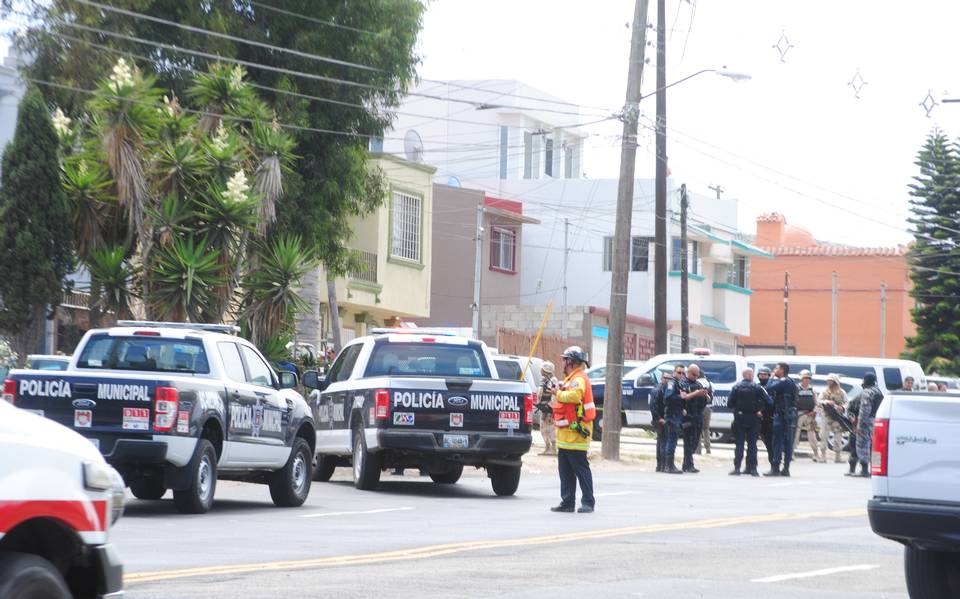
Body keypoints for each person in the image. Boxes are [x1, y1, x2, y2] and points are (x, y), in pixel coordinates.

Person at [550, 346, 596, 513]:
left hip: (576, 435)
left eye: (565, 359)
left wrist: (558, 394)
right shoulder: (571, 379)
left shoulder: (579, 379)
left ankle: (588, 502)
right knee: (565, 472)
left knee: (580, 470)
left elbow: (575, 396)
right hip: (566, 435)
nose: (563, 363)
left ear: (570, 361)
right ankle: (567, 502)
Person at [728, 368, 765, 476]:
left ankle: (737, 468)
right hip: (753, 418)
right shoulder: (758, 388)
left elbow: (730, 404)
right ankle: (752, 469)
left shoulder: (736, 387)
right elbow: (768, 401)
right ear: (750, 375)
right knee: (752, 444)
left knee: (739, 444)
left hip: (740, 418)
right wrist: (759, 409)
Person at [764, 362, 799, 477]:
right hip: (788, 414)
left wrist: (772, 377)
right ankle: (786, 468)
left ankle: (776, 468)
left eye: (777, 368)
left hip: (783, 414)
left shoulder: (784, 381)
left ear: (782, 370)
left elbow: (769, 388)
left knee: (778, 441)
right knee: (787, 441)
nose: (774, 370)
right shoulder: (790, 381)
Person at [681, 364, 711, 473]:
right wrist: (696, 393)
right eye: (694, 374)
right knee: (688, 441)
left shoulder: (698, 384)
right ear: (688, 372)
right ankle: (688, 465)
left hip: (698, 415)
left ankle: (687, 463)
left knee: (694, 441)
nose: (695, 377)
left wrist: (705, 395)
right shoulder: (683, 383)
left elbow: (707, 399)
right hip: (688, 416)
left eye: (697, 375)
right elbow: (684, 398)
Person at [853, 373, 883, 478]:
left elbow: (864, 410)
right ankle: (875, 469)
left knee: (862, 446)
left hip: (867, 422)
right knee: (875, 446)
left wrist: (860, 426)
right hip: (877, 422)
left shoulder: (867, 392)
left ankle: (864, 470)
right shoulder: (878, 391)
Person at [661, 364, 687, 474]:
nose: (681, 374)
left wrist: (682, 406)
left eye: (682, 373)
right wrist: (680, 397)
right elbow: (668, 398)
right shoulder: (672, 382)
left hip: (677, 415)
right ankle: (669, 465)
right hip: (672, 416)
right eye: (679, 372)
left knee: (673, 440)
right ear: (674, 372)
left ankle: (670, 465)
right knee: (671, 441)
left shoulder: (678, 383)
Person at [794, 370, 825, 463]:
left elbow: (817, 403)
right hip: (798, 414)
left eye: (808, 378)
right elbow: (793, 402)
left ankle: (816, 454)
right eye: (805, 378)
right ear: (801, 379)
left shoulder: (812, 390)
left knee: (812, 435)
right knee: (795, 434)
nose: (807, 380)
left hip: (809, 415)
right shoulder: (796, 389)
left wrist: (814, 412)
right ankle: (791, 453)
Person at [819, 374, 848, 463]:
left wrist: (842, 407)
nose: (829, 383)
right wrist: (827, 402)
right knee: (823, 435)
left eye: (831, 381)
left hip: (837, 416)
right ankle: (823, 456)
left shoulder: (841, 392)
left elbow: (847, 402)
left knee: (838, 435)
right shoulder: (825, 392)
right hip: (826, 415)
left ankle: (837, 456)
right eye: (828, 381)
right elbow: (819, 401)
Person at [537, 361, 559, 456]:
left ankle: (553, 448)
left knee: (551, 429)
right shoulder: (544, 380)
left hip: (550, 410)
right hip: (544, 409)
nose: (541, 370)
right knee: (543, 428)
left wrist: (549, 407)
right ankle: (547, 447)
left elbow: (554, 395)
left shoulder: (553, 381)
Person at [651, 371, 670, 472]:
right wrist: (659, 418)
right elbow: (653, 406)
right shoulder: (658, 390)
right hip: (659, 420)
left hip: (664, 419)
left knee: (663, 441)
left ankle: (662, 465)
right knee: (662, 442)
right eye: (665, 378)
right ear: (662, 378)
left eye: (668, 378)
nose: (667, 380)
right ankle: (661, 465)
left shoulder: (666, 389)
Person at [757, 367, 775, 470]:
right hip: (757, 417)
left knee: (770, 443)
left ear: (769, 376)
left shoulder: (772, 387)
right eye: (761, 375)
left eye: (765, 375)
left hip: (769, 417)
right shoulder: (756, 387)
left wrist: (763, 411)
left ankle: (773, 464)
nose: (763, 376)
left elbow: (772, 403)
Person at [697, 374, 714, 456]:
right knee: (706, 429)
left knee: (698, 429)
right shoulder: (710, 383)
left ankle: (698, 449)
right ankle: (708, 448)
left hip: (700, 408)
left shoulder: (697, 383)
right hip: (709, 408)